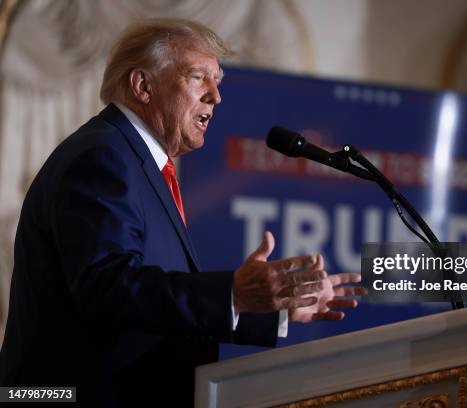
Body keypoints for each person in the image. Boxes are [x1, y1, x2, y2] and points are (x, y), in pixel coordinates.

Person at [0, 18, 362, 407]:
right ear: (143, 85)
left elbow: (153, 306)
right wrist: (233, 294)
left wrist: (266, 307)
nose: (216, 96)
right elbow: (109, 287)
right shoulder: (102, 157)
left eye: (218, 80)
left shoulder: (136, 163)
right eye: (197, 77)